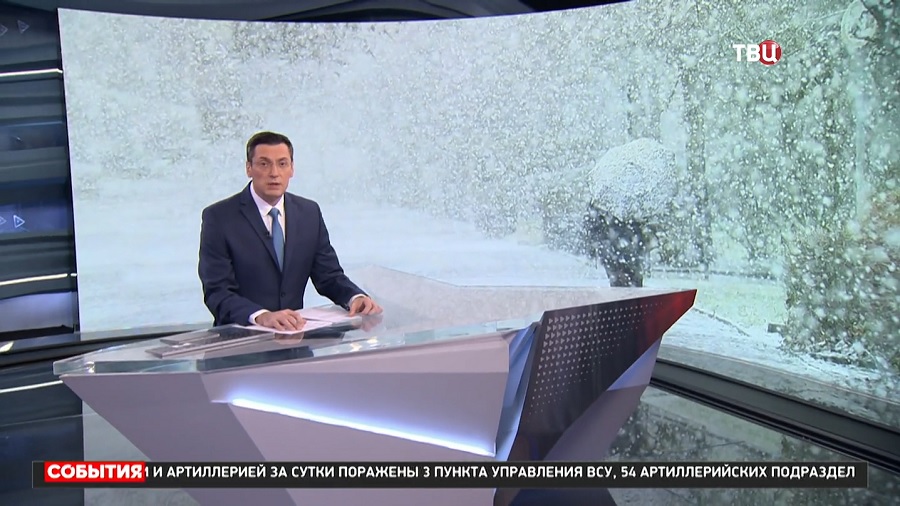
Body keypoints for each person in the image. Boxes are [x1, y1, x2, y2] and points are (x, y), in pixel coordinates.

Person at [198, 131, 381, 330]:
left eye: (282, 164)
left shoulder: (309, 213)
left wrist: (354, 297)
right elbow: (217, 292)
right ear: (249, 168)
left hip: (294, 337)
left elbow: (329, 276)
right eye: (264, 164)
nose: (274, 173)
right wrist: (261, 316)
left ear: (292, 169)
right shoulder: (219, 218)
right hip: (242, 339)